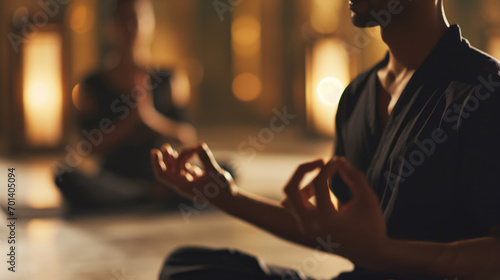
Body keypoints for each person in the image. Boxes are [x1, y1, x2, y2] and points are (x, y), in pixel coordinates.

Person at [150, 0, 500, 279]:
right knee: (189, 267)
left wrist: (383, 253)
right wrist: (227, 197)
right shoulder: (358, 95)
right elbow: (343, 237)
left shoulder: (481, 90)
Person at [55, 0, 196, 213]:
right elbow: (88, 147)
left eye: (137, 19)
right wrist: (128, 123)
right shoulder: (92, 83)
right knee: (65, 176)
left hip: (160, 176)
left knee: (226, 172)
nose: (131, 27)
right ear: (111, 26)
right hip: (115, 180)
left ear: (150, 23)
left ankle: (149, 194)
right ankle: (149, 195)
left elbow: (187, 136)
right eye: (123, 20)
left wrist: (149, 119)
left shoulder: (170, 78)